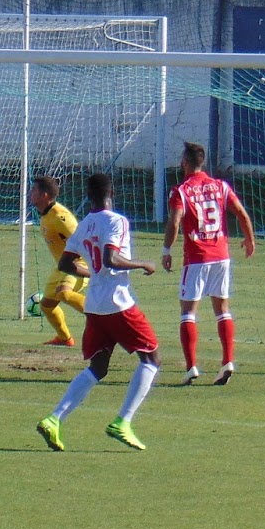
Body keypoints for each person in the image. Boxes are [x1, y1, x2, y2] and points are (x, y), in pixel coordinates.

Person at [35, 172, 160, 452]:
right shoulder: (116, 221)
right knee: (151, 358)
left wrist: (91, 272)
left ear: (88, 195)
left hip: (93, 304)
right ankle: (123, 421)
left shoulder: (85, 225)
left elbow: (66, 264)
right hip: (117, 302)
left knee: (98, 367)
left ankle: (54, 419)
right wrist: (143, 264)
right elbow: (111, 258)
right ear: (110, 193)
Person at [163, 140, 256, 385]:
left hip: (196, 258)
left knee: (188, 313)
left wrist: (166, 249)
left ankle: (191, 366)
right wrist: (249, 240)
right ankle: (227, 360)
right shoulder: (220, 186)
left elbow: (174, 222)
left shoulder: (181, 190)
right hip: (221, 256)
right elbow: (242, 214)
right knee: (222, 309)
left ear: (184, 162)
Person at [28, 174, 87, 347]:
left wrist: (86, 265)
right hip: (62, 266)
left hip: (78, 264)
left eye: (34, 190)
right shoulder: (45, 214)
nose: (30, 193)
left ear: (44, 195)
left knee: (64, 292)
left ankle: (102, 316)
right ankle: (65, 339)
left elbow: (82, 240)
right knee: (46, 305)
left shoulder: (61, 217)